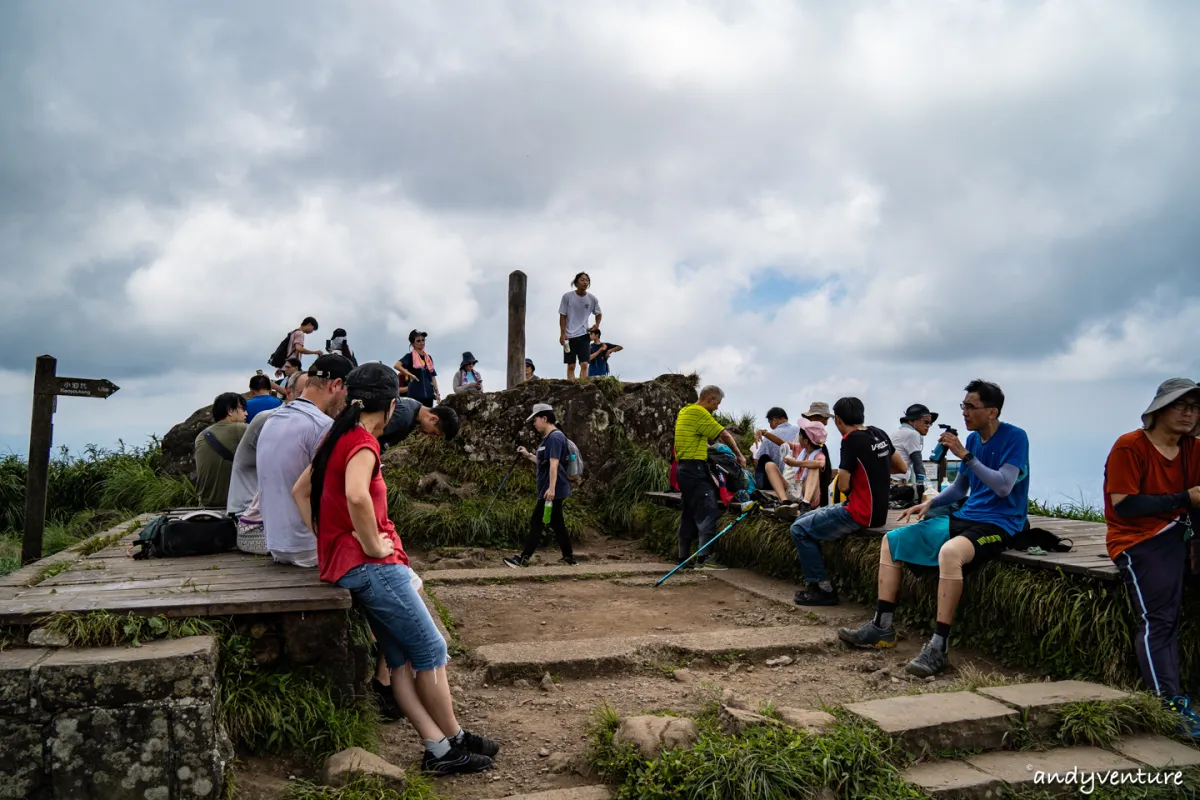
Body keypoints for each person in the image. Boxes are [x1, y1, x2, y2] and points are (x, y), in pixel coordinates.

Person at [291, 362, 499, 775]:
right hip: (373, 566)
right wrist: (368, 543)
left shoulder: (336, 436)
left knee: (400, 658)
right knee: (433, 650)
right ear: (389, 405)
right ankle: (452, 739)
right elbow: (356, 495)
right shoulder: (363, 443)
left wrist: (329, 538)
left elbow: (301, 490)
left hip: (349, 563)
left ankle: (440, 746)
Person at [838, 380, 1031, 679]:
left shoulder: (1015, 438)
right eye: (963, 405)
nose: (965, 412)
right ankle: (881, 627)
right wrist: (930, 504)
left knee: (950, 553)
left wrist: (965, 454)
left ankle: (938, 647)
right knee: (892, 539)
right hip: (966, 515)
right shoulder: (975, 440)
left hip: (1001, 523)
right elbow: (961, 486)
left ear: (992, 412)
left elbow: (1004, 487)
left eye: (970, 406)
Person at [1102, 377, 1200, 738]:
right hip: (1137, 538)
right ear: (1160, 409)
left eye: (1195, 407)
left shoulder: (1194, 449)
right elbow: (1124, 506)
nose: (1189, 413)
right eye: (1181, 405)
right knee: (1160, 618)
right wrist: (1184, 498)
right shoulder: (1130, 447)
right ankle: (1169, 703)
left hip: (1181, 533)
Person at [790, 397, 905, 606]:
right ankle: (820, 586)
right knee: (807, 517)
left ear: (839, 420)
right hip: (878, 511)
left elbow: (843, 485)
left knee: (798, 529)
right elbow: (901, 468)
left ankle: (823, 588)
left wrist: (857, 480)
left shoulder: (850, 440)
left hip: (859, 512)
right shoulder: (879, 433)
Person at [257, 354, 353, 567]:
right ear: (337, 385)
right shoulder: (322, 426)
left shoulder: (272, 420)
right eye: (348, 391)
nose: (347, 401)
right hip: (308, 548)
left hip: (275, 544)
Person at [673, 385, 747, 570]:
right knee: (709, 510)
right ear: (711, 398)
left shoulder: (685, 411)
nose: (717, 408)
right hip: (694, 469)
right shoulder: (699, 412)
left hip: (682, 469)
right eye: (717, 403)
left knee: (689, 511)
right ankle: (705, 559)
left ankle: (683, 557)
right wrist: (739, 455)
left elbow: (696, 438)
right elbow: (724, 434)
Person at [503, 404, 579, 568]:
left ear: (544, 419)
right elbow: (543, 462)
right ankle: (569, 557)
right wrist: (528, 455)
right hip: (550, 488)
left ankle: (523, 559)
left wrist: (551, 489)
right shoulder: (548, 439)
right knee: (557, 523)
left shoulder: (555, 438)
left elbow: (554, 465)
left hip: (552, 490)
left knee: (536, 521)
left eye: (535, 419)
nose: (534, 423)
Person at [228, 374, 308, 523]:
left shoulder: (259, 411)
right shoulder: (270, 418)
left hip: (255, 505)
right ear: (288, 393)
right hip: (250, 511)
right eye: (303, 393)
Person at [194, 392, 249, 508]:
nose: (246, 414)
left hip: (205, 503)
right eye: (242, 409)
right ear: (230, 411)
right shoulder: (239, 428)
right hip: (231, 503)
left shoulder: (201, 435)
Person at [378, 394, 461, 451]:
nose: (429, 435)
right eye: (434, 433)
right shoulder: (405, 415)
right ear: (433, 419)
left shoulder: (413, 412)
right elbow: (371, 433)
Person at [753, 407, 801, 505]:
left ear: (775, 420)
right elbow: (785, 444)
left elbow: (757, 462)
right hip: (801, 480)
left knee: (767, 465)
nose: (770, 426)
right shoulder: (800, 431)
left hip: (783, 482)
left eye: (769, 422)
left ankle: (783, 500)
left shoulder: (768, 438)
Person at [890, 404, 938, 503]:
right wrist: (923, 486)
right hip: (894, 485)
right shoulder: (912, 434)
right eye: (926, 422)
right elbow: (918, 463)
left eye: (930, 423)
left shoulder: (898, 432)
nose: (928, 426)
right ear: (912, 421)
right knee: (930, 498)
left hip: (887, 484)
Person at [558, 272, 601, 381]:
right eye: (582, 280)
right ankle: (571, 386)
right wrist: (562, 334)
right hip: (569, 336)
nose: (585, 282)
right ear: (576, 282)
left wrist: (597, 325)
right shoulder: (567, 297)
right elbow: (562, 316)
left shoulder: (592, 299)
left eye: (587, 280)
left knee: (585, 364)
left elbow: (599, 313)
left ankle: (583, 385)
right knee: (571, 365)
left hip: (584, 335)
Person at [780, 419, 831, 509]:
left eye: (799, 435)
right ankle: (785, 500)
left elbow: (820, 463)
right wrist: (765, 434)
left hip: (809, 495)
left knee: (813, 467)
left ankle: (805, 503)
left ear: (806, 441)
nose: (798, 437)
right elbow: (782, 443)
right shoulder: (801, 450)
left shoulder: (819, 455)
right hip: (796, 489)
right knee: (770, 466)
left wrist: (796, 463)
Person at [394, 330, 440, 407]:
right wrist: (410, 374)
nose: (421, 342)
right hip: (414, 394)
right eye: (418, 341)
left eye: (423, 340)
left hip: (429, 394)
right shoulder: (410, 356)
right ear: (413, 344)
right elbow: (397, 365)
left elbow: (432, 377)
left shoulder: (428, 358)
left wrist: (437, 392)